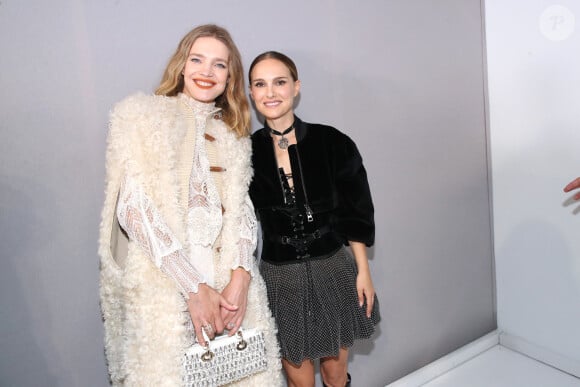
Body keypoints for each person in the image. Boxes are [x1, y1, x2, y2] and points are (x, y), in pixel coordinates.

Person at [98, 25, 282, 386]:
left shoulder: (233, 133)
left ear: (229, 76)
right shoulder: (141, 117)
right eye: (197, 59)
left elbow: (242, 209)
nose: (206, 71)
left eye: (219, 65)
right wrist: (194, 288)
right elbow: (133, 208)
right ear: (182, 65)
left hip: (229, 284)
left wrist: (241, 278)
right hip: (166, 284)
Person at [248, 51, 380, 387]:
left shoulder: (331, 142)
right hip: (279, 280)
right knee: (299, 379)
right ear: (251, 93)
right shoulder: (243, 154)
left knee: (335, 374)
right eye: (260, 84)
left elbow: (356, 210)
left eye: (280, 82)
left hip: (332, 270)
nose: (271, 92)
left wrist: (363, 271)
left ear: (296, 87)